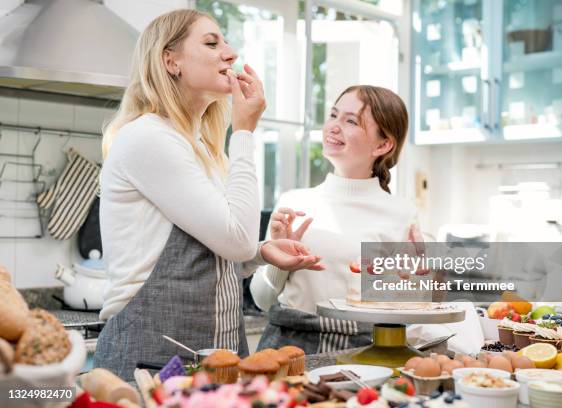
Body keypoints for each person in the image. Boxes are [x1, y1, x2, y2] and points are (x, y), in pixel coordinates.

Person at [93, 9, 321, 381]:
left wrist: (262, 253)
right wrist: (244, 131)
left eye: (226, 43)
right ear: (171, 60)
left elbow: (222, 248)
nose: (230, 54)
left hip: (215, 357)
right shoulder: (149, 137)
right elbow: (236, 240)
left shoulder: (200, 146)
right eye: (212, 43)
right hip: (151, 360)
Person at [250, 85, 483, 354]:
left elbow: (414, 309)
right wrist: (277, 263)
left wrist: (420, 280)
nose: (334, 127)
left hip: (364, 356)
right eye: (333, 115)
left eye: (350, 121)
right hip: (288, 351)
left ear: (383, 144)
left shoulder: (401, 214)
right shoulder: (294, 204)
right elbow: (263, 300)